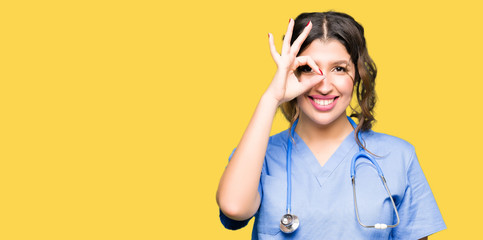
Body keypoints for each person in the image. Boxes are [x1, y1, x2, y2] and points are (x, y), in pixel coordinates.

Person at [216, 11, 446, 239]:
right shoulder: (259, 155)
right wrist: (272, 97)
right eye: (308, 68)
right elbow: (234, 208)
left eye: (339, 68)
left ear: (357, 74)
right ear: (292, 73)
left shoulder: (398, 156)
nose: (324, 86)